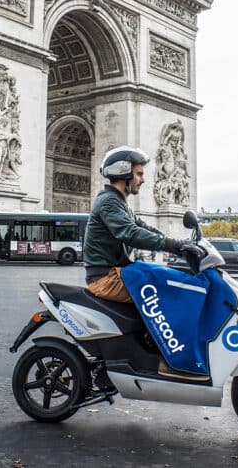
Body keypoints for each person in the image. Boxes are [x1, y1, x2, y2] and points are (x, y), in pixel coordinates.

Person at [83, 146, 205, 381]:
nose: (143, 179)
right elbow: (130, 232)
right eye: (139, 174)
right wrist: (173, 246)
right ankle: (165, 360)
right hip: (106, 278)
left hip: (116, 273)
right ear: (124, 173)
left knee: (163, 276)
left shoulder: (119, 202)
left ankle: (154, 349)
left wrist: (178, 243)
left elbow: (142, 227)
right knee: (163, 291)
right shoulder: (109, 202)